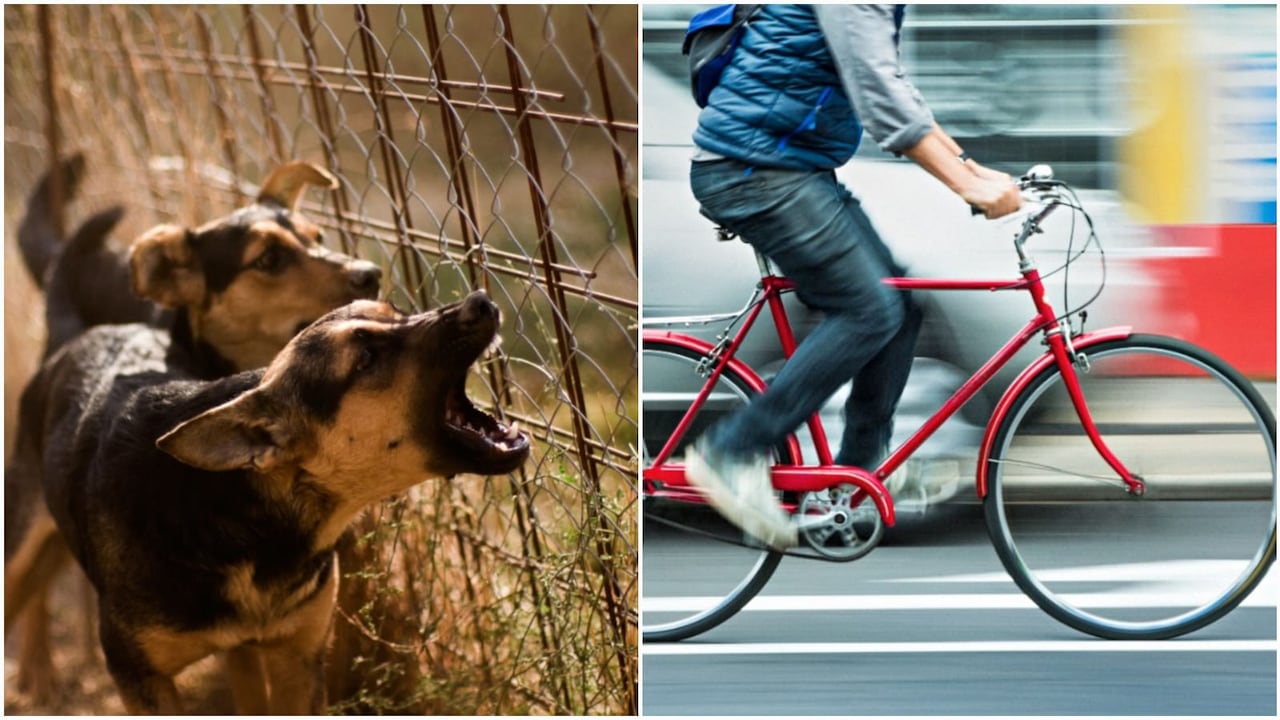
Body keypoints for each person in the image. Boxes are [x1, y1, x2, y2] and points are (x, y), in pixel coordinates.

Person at [684, 4, 1023, 550]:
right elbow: (881, 98)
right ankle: (732, 451)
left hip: (790, 168)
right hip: (754, 170)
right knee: (869, 310)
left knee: (901, 305)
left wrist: (971, 166)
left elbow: (891, 83)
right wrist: (965, 186)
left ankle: (852, 482)